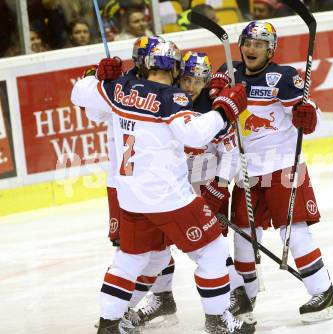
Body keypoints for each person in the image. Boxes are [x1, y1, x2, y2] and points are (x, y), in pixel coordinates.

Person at [71, 35, 254, 334]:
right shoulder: (173, 98)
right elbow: (194, 135)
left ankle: (109, 325)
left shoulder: (118, 88)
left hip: (130, 198)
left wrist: (99, 75)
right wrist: (224, 111)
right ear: (176, 69)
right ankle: (218, 320)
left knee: (129, 260)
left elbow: (80, 93)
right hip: (170, 198)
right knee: (212, 253)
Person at [209, 21, 333, 323]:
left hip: (282, 166)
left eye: (259, 44)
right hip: (247, 172)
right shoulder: (230, 71)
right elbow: (211, 97)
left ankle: (323, 293)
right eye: (247, 42)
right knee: (243, 237)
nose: (250, 49)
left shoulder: (283, 77)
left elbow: (311, 115)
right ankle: (246, 296)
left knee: (293, 233)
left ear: (271, 49)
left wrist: (309, 117)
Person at [131, 51, 255, 329]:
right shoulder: (168, 103)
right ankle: (162, 298)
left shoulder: (214, 109)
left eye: (197, 81)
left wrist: (220, 187)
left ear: (207, 82)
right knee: (159, 243)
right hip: (171, 188)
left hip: (206, 186)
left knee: (209, 245)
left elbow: (231, 152)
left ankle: (235, 297)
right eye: (185, 79)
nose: (189, 86)